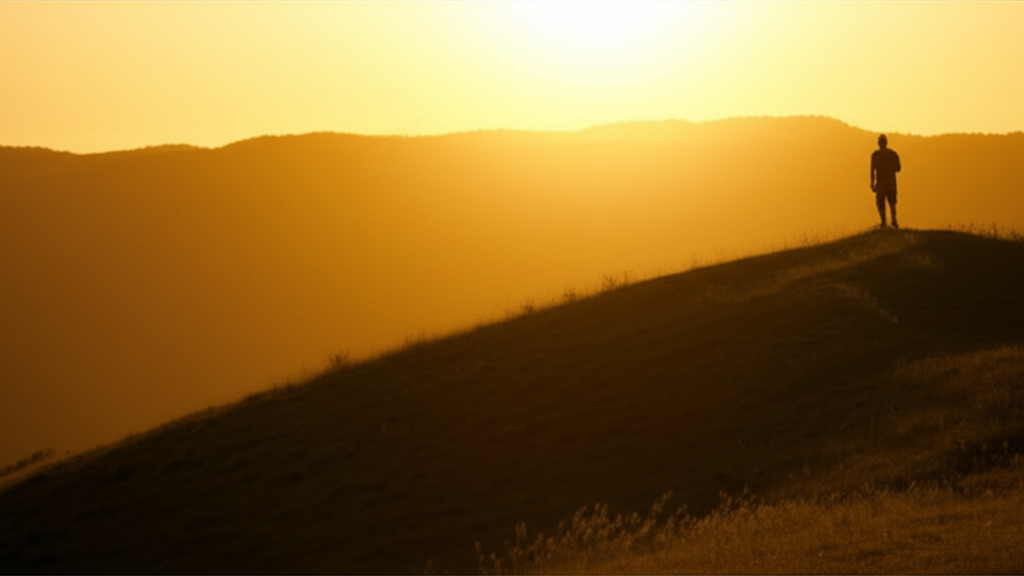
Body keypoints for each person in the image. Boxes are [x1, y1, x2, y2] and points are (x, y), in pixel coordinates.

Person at [871, 134, 901, 228]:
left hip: (880, 183)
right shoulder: (893, 154)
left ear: (879, 143)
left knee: (881, 203)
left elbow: (872, 170)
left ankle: (883, 222)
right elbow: (898, 168)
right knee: (892, 202)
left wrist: (872, 183)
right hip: (891, 183)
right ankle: (893, 221)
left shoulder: (875, 155)